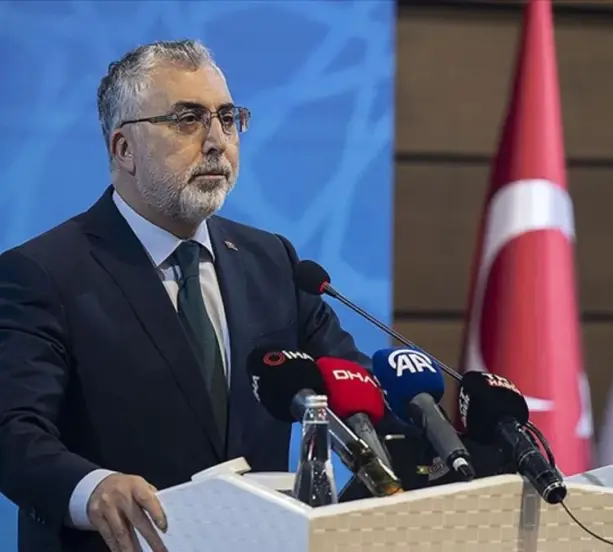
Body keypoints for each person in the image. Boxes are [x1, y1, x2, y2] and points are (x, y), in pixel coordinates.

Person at [0, 39, 369, 552]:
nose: (216, 141)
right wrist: (92, 489)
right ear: (124, 149)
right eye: (188, 119)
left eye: (228, 118)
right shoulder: (43, 272)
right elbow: (12, 431)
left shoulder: (273, 261)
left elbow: (356, 390)